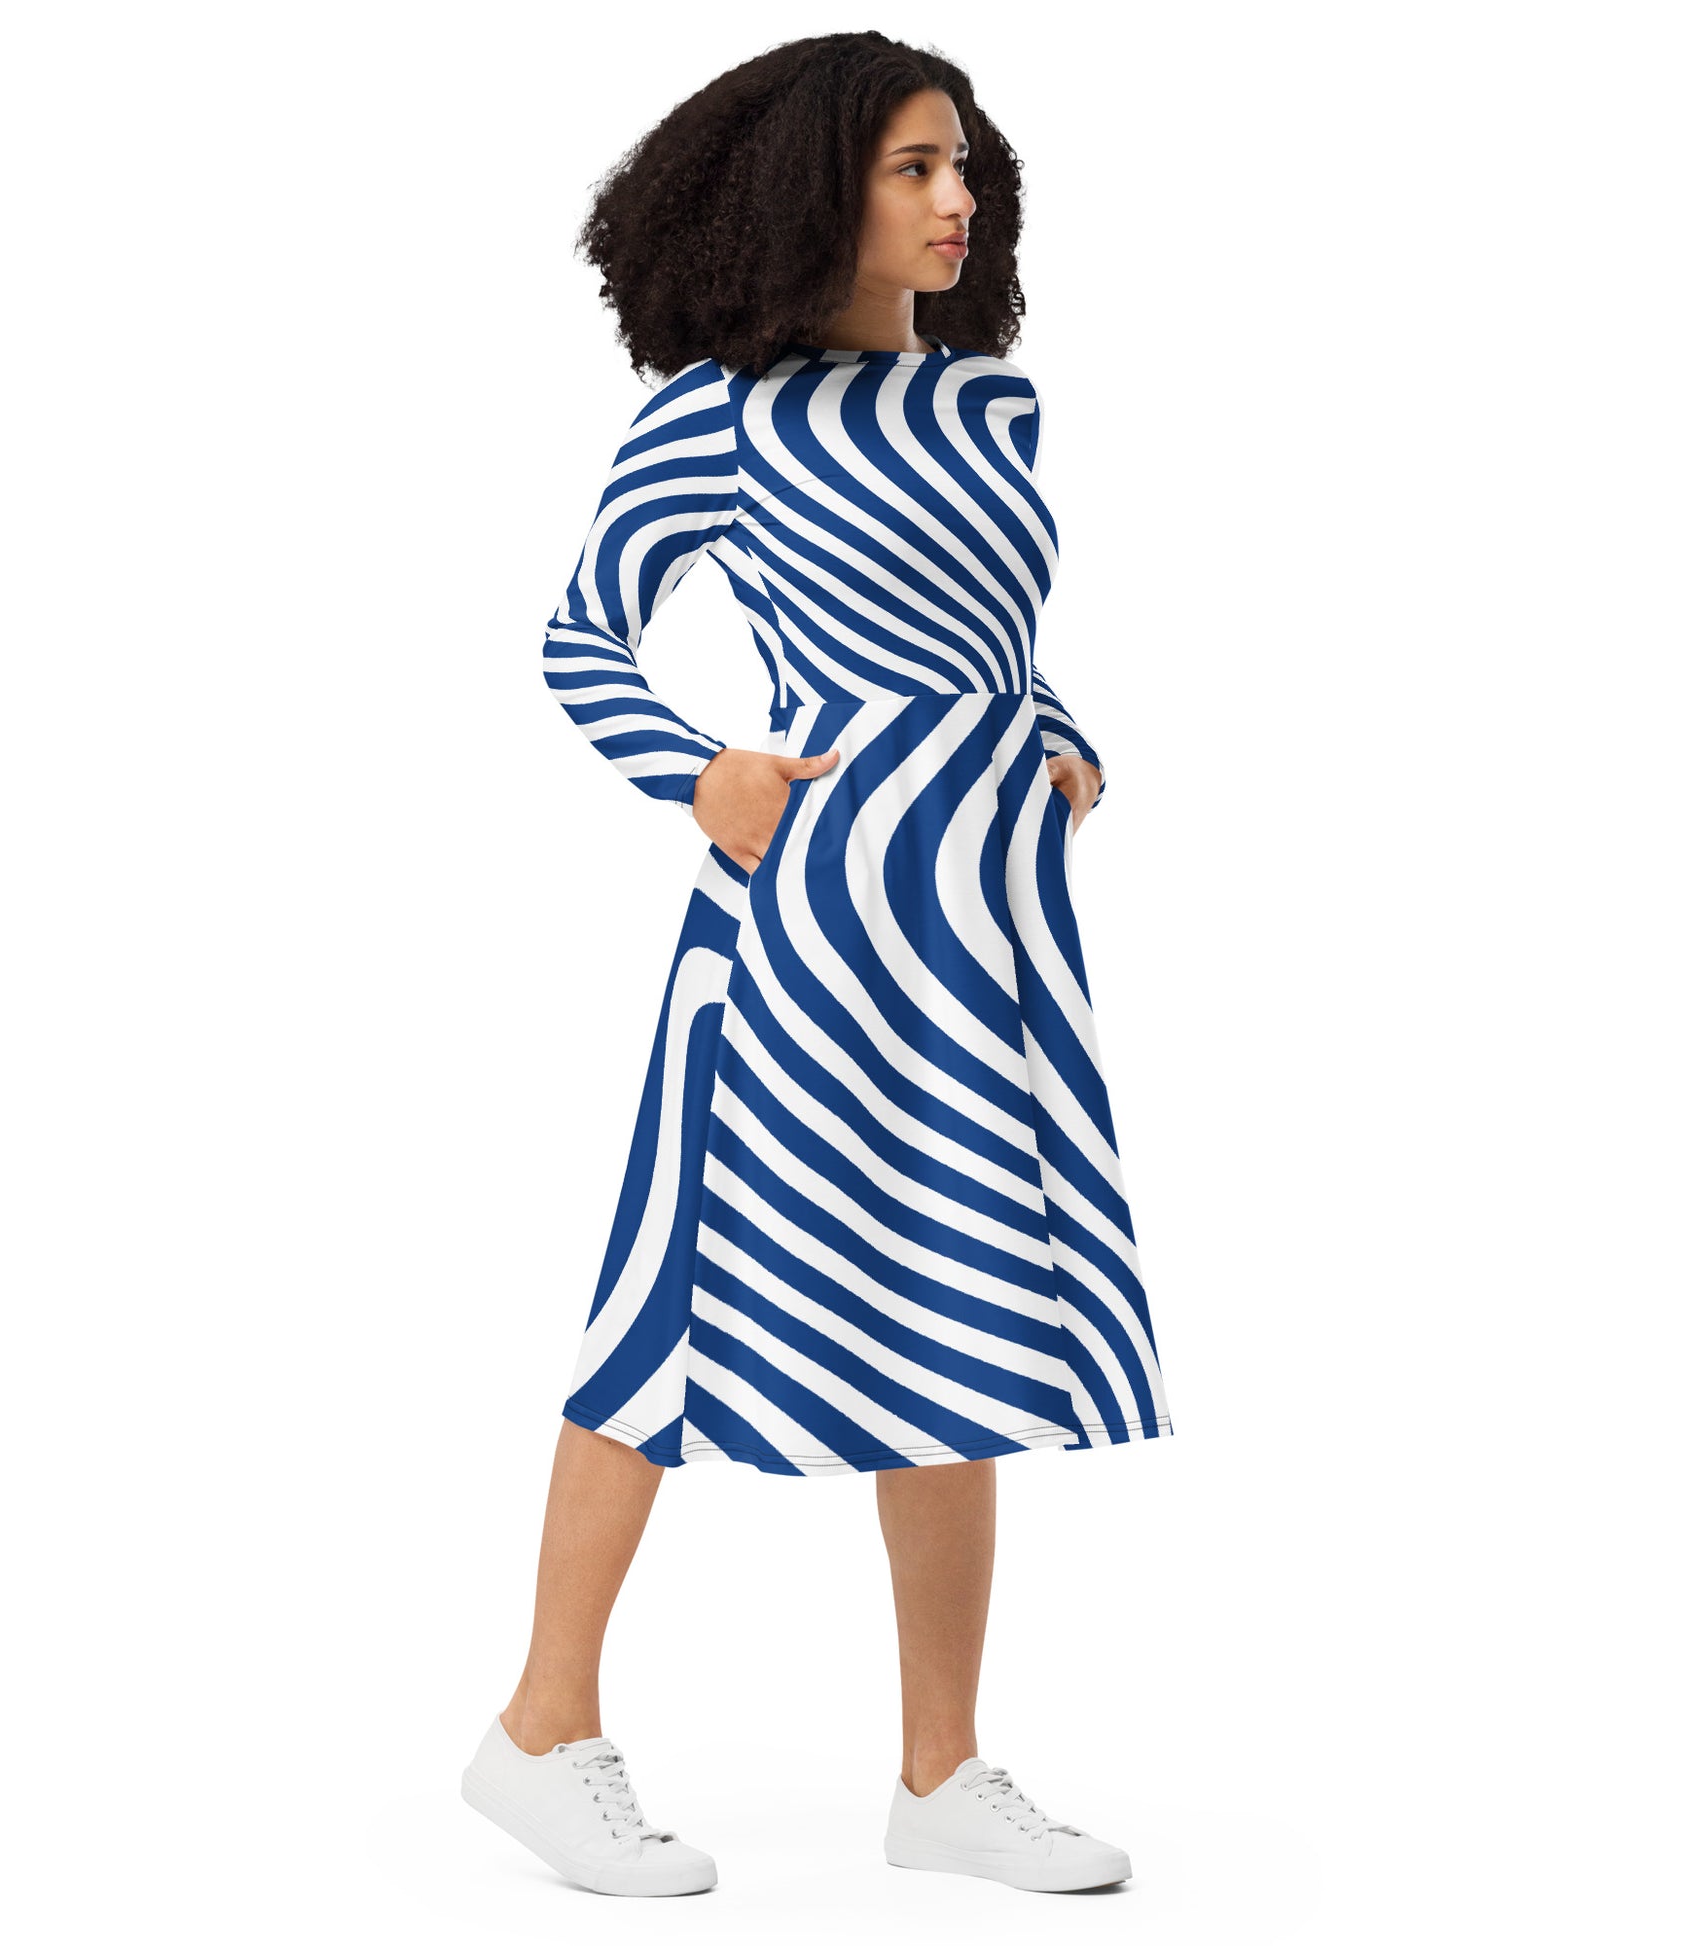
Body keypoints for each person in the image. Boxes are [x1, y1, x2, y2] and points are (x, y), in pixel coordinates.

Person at [461, 31, 1174, 1898]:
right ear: (815, 192)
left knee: (964, 1298)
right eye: (912, 169)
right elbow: (582, 636)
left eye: (964, 168)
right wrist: (702, 772)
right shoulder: (717, 415)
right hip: (803, 926)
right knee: (664, 1303)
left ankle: (940, 1773)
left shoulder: (990, 406)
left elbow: (974, 629)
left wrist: (1054, 728)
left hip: (981, 926)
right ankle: (538, 1724)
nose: (955, 200)